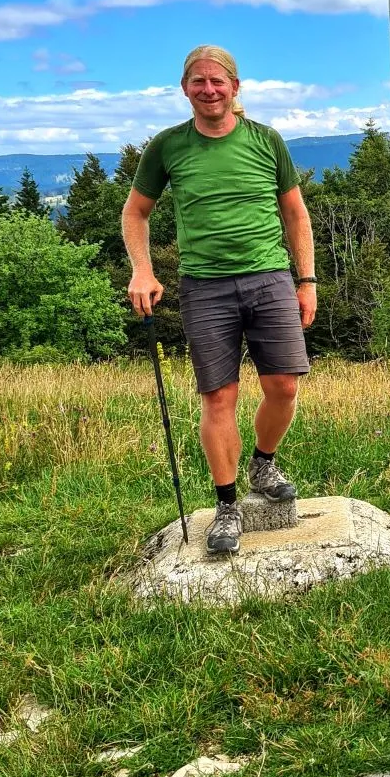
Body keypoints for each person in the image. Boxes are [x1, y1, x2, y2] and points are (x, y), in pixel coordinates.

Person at [122, 46, 317, 556]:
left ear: (235, 87)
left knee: (284, 387)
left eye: (218, 81)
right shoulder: (168, 147)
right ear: (184, 89)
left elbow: (295, 213)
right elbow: (135, 212)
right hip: (205, 285)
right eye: (198, 82)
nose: (209, 90)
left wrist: (307, 280)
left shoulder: (265, 141)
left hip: (270, 277)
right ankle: (227, 506)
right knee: (218, 397)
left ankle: (263, 462)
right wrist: (143, 269)